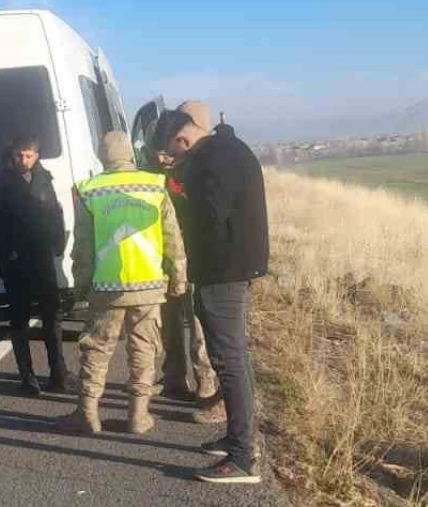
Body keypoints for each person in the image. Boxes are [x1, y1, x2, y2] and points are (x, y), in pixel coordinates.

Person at [154, 100, 269, 484]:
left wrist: (178, 193)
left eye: (172, 153)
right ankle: (239, 439)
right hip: (230, 267)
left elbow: (209, 215)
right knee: (235, 358)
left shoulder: (213, 158)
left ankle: (243, 458)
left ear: (183, 140)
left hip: (223, 271)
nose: (172, 160)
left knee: (228, 360)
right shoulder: (227, 148)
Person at [55, 131, 187, 435]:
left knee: (97, 349)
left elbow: (83, 248)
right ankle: (138, 416)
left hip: (107, 286)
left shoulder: (89, 190)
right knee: (144, 349)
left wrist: (81, 287)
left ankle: (87, 414)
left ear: (102, 155)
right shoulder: (155, 184)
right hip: (149, 284)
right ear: (130, 153)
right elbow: (172, 238)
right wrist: (179, 278)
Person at [0, 135, 78, 396]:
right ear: (12, 153)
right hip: (14, 260)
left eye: (29, 155)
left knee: (52, 315)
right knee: (19, 319)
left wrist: (58, 244)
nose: (24, 160)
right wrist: (4, 248)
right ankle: (27, 378)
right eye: (19, 154)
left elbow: (55, 211)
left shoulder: (43, 177)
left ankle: (59, 373)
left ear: (36, 155)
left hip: (42, 256)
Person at [148, 111, 223, 423]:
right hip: (163, 258)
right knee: (169, 320)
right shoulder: (152, 175)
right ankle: (174, 378)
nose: (164, 158)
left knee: (197, 323)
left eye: (167, 152)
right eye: (159, 153)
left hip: (191, 255)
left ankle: (206, 384)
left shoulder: (192, 170)